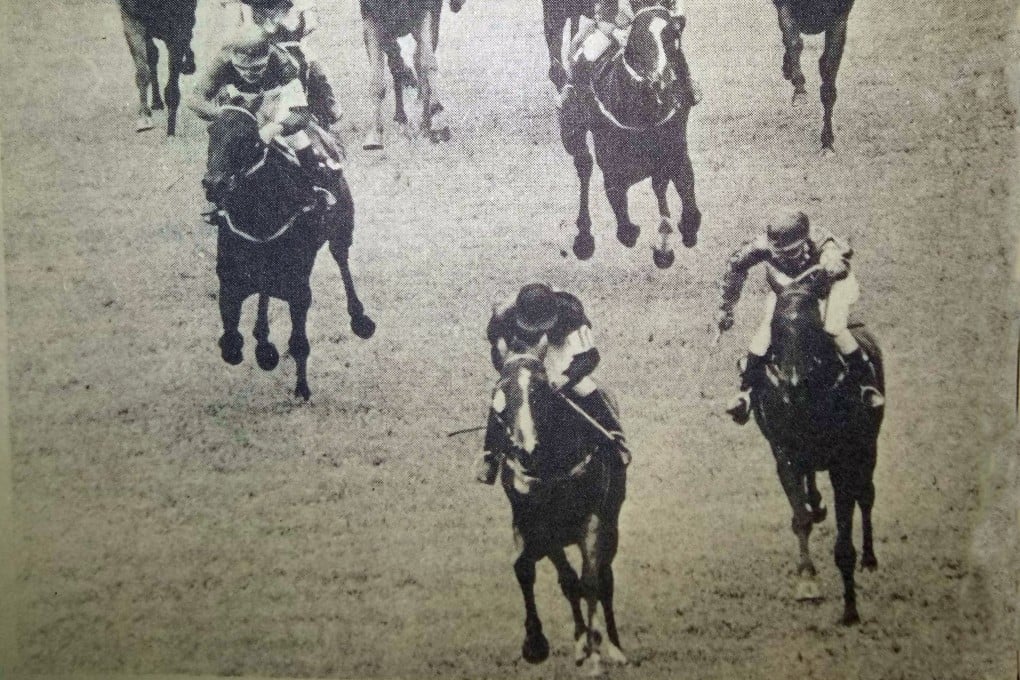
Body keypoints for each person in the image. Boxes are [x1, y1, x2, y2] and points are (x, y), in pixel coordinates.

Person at [715, 210, 885, 424]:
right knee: (766, 330)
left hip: (827, 288)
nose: (782, 257)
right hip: (788, 292)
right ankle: (746, 392)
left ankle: (865, 384)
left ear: (805, 241)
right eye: (777, 252)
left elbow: (839, 255)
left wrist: (833, 264)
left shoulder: (823, 242)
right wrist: (726, 308)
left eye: (791, 252)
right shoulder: (761, 246)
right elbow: (735, 266)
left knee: (833, 326)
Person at [476, 284, 630, 485]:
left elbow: (590, 356)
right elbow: (498, 354)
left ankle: (613, 435)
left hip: (559, 348)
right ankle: (490, 456)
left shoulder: (570, 310)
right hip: (525, 352)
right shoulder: (504, 315)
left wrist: (567, 377)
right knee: (504, 390)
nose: (540, 331)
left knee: (582, 385)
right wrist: (516, 376)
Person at [187, 24, 343, 199]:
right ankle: (219, 191)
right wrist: (221, 115)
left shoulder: (284, 63)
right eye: (241, 68)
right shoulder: (222, 61)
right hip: (240, 107)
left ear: (268, 54)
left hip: (275, 103)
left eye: (256, 68)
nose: (249, 75)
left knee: (296, 139)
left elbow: (301, 113)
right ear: (232, 56)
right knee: (225, 144)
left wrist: (273, 129)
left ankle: (317, 187)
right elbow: (195, 98)